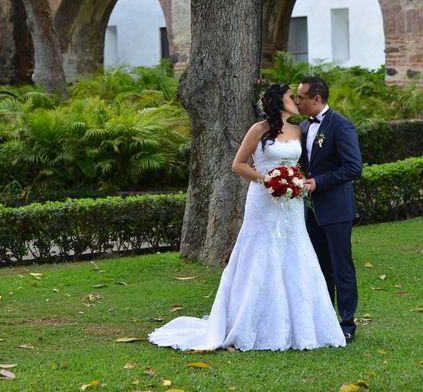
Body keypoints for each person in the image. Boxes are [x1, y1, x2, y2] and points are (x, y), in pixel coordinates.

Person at [148, 84, 346, 351]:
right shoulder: (259, 129)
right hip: (263, 201)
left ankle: (302, 326)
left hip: (292, 203)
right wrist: (267, 178)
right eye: (292, 97)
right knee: (261, 254)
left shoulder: (298, 130)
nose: (297, 101)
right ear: (279, 101)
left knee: (295, 254)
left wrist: (295, 180)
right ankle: (250, 322)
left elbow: (299, 165)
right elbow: (238, 164)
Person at [295, 77, 363, 344]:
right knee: (320, 267)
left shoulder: (341, 126)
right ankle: (324, 319)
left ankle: (347, 323)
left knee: (341, 266)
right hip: (310, 211)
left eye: (301, 97)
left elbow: (353, 167)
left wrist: (319, 182)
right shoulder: (302, 126)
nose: (297, 102)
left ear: (317, 99)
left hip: (336, 209)